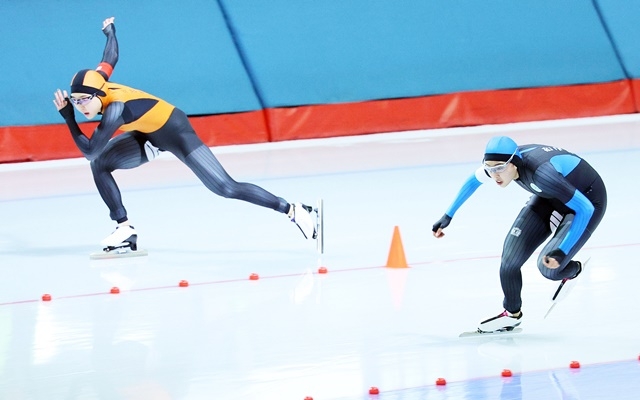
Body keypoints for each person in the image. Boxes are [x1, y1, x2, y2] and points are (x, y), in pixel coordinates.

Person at [53, 17, 316, 252]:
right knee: (100, 164)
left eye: (84, 100)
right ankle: (124, 229)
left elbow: (90, 149)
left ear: (99, 94)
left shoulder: (115, 109)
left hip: (174, 131)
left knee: (225, 187)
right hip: (145, 133)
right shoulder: (99, 80)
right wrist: (110, 31)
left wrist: (69, 118)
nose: (80, 106)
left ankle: (293, 210)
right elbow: (110, 57)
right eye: (75, 101)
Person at [432, 136, 607, 332]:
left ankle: (573, 270)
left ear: (514, 163)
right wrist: (448, 215)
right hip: (549, 196)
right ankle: (511, 314)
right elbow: (473, 181)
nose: (495, 174)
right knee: (509, 261)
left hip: (587, 202)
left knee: (549, 268)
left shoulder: (543, 174)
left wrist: (563, 250)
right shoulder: (500, 161)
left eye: (499, 168)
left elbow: (585, 208)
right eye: (489, 168)